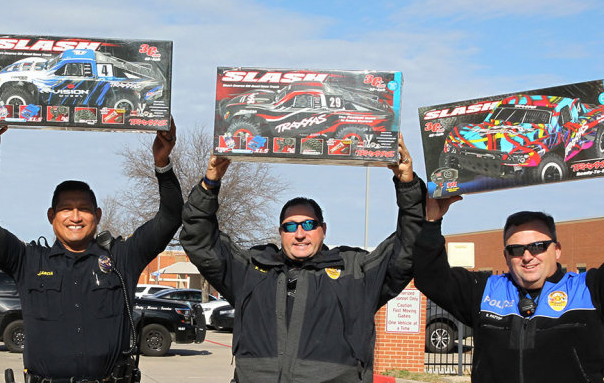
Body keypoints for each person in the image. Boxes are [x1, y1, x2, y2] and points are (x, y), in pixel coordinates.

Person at [179, 136, 426, 382]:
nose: (300, 234)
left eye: (309, 224)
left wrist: (408, 188)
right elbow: (200, 242)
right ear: (280, 233)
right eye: (290, 227)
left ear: (323, 230)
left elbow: (407, 252)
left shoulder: (354, 271)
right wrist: (209, 185)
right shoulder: (251, 269)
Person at [413, 139, 604, 383]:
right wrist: (431, 222)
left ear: (557, 250)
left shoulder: (589, 291)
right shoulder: (485, 291)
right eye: (516, 249)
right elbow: (429, 276)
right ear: (506, 256)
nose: (527, 256)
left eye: (538, 246)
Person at [0, 118, 182, 382]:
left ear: (97, 215)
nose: (76, 217)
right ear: (51, 216)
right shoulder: (28, 261)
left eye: (84, 209)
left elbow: (170, 217)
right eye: (66, 209)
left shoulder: (122, 258)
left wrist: (162, 162)